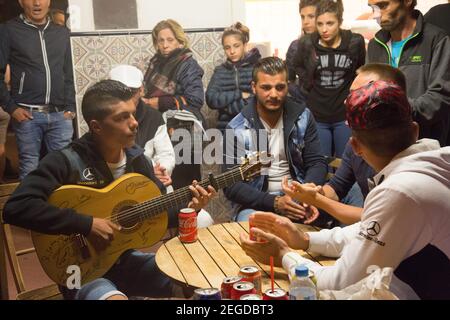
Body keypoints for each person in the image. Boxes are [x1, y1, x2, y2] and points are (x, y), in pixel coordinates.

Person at [2, 80, 216, 300]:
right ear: (96, 127)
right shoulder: (65, 161)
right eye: (122, 117)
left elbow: (157, 216)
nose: (134, 123)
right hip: (77, 270)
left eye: (132, 114)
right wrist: (86, 224)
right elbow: (16, 207)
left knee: (201, 280)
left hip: (124, 261)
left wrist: (190, 209)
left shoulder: (139, 161)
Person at [241, 80, 450, 300]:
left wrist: (284, 254)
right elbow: (368, 230)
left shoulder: (400, 191)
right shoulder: (433, 167)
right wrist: (305, 240)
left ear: (356, 147)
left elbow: (343, 281)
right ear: (415, 131)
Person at [292, 63, 406, 225]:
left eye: (358, 94)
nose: (347, 101)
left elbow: (382, 216)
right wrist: (314, 194)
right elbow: (337, 187)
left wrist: (317, 200)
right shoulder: (356, 141)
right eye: (350, 94)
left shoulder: (404, 145)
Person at [223, 57, 327, 225]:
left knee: (325, 232)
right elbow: (231, 186)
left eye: (280, 87)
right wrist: (275, 202)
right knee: (251, 230)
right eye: (266, 88)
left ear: (288, 86)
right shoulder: (236, 128)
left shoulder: (303, 116)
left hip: (299, 197)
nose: (274, 94)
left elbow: (316, 162)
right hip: (257, 204)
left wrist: (305, 194)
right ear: (254, 87)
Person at [0, 0, 76, 180]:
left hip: (60, 116)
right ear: (20, 2)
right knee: (30, 171)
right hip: (27, 115)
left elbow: (69, 74)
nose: (36, 3)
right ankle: (31, 208)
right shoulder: (9, 30)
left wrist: (71, 107)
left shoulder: (61, 33)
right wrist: (12, 108)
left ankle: (59, 208)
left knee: (64, 170)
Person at [367, 0, 450, 147]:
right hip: (383, 146)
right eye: (373, 8)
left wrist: (396, 108)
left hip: (425, 146)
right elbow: (368, 91)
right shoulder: (375, 45)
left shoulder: (437, 40)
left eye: (383, 5)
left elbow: (441, 97)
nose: (376, 14)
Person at [293, 0, 365, 158]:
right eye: (319, 24)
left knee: (347, 161)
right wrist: (308, 84)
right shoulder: (307, 43)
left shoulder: (354, 42)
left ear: (340, 21)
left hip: (344, 114)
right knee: (320, 161)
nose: (324, 29)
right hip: (318, 115)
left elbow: (361, 69)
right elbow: (296, 65)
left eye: (330, 23)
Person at [143, 19, 205, 189]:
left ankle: (192, 212)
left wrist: (158, 102)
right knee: (164, 175)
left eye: (170, 40)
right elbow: (148, 90)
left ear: (179, 40)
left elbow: (195, 99)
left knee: (185, 180)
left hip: (184, 128)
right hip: (160, 126)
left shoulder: (187, 64)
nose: (165, 45)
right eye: (160, 40)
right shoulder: (155, 63)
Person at [109, 64, 175, 188]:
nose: (126, 98)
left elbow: (166, 154)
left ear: (141, 91)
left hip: (150, 184)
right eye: (120, 92)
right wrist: (147, 173)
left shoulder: (154, 117)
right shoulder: (104, 119)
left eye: (132, 92)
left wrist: (160, 170)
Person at [206, 22, 261, 132]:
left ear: (244, 45)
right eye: (227, 47)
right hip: (226, 128)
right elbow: (210, 98)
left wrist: (226, 107)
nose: (232, 51)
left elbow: (259, 99)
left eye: (236, 46)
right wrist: (239, 94)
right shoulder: (220, 71)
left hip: (253, 126)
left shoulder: (256, 68)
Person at [286, 0, 320, 83]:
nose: (305, 22)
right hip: (303, 94)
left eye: (311, 16)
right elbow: (289, 80)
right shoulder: (295, 46)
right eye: (302, 17)